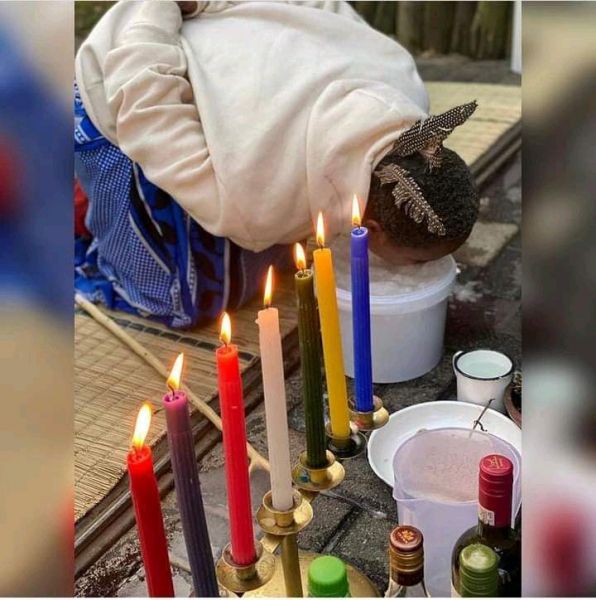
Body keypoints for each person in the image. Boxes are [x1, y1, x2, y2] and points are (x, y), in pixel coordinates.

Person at [75, 0, 478, 328]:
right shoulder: (252, 205)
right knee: (184, 301)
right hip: (121, 62)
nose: (422, 269)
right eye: (417, 261)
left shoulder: (404, 83)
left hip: (211, 47)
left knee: (271, 255)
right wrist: (166, 8)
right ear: (371, 230)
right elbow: (145, 109)